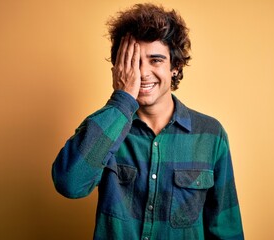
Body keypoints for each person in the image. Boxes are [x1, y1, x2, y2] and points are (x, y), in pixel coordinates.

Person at [52, 3, 244, 240]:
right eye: (133, 61)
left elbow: (226, 230)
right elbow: (69, 184)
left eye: (155, 60)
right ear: (119, 68)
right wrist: (122, 101)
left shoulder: (211, 135)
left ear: (175, 67)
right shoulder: (105, 128)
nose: (142, 73)